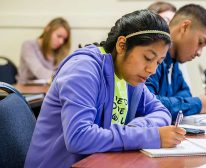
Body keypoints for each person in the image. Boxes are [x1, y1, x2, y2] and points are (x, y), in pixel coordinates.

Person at [24, 10, 186, 168]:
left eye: (158, 62)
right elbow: (79, 137)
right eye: (148, 58)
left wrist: (135, 129)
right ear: (122, 45)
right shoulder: (83, 69)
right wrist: (151, 136)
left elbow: (162, 112)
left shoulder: (130, 77)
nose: (152, 69)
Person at [146, 4, 206, 121]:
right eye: (200, 42)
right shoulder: (150, 55)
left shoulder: (174, 63)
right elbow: (147, 104)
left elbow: (186, 94)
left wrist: (175, 103)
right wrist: (198, 104)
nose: (199, 53)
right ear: (185, 27)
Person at [16, 17, 71, 84]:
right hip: (26, 91)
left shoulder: (59, 51)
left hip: (47, 89)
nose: (61, 42)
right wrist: (64, 77)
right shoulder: (28, 46)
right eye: (59, 36)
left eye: (64, 39)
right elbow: (39, 71)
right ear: (47, 29)